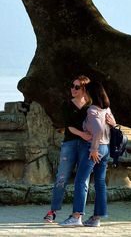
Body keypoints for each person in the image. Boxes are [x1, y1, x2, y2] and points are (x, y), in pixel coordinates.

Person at [59, 81, 116, 227]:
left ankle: (76, 217)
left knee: (80, 181)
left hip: (94, 149)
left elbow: (96, 130)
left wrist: (93, 150)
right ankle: (96, 218)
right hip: (106, 148)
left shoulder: (92, 110)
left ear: (91, 93)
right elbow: (111, 126)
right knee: (100, 183)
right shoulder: (107, 109)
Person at [44, 75, 91, 223]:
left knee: (83, 180)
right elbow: (69, 126)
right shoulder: (67, 105)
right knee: (61, 177)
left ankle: (78, 215)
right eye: (72, 86)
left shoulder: (91, 106)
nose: (73, 89)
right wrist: (83, 134)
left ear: (84, 89)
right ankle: (52, 211)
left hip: (86, 146)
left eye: (77, 87)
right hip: (70, 144)